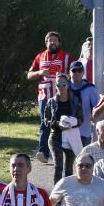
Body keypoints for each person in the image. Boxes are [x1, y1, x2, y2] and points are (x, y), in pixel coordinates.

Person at [27, 31, 73, 163]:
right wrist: (40, 72)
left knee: (63, 122)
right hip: (44, 96)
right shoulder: (40, 57)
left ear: (59, 43)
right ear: (46, 43)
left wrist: (65, 76)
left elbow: (75, 73)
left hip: (61, 95)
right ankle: (43, 152)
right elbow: (29, 75)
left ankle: (66, 153)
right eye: (50, 40)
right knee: (45, 123)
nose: (52, 43)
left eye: (55, 40)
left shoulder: (66, 57)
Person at [43, 71, 83, 182]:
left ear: (68, 85)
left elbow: (81, 120)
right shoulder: (51, 102)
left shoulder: (75, 100)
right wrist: (56, 124)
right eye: (58, 85)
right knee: (58, 166)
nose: (61, 87)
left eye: (63, 85)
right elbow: (45, 120)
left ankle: (67, 192)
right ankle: (56, 194)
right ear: (55, 86)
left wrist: (72, 122)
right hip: (55, 136)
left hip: (71, 136)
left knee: (69, 168)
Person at [69, 60, 101, 146]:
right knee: (69, 159)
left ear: (83, 73)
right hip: (67, 131)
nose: (77, 73)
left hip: (84, 131)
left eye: (79, 71)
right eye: (74, 71)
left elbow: (97, 107)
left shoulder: (90, 88)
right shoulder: (64, 87)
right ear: (70, 72)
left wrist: (95, 116)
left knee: (83, 157)